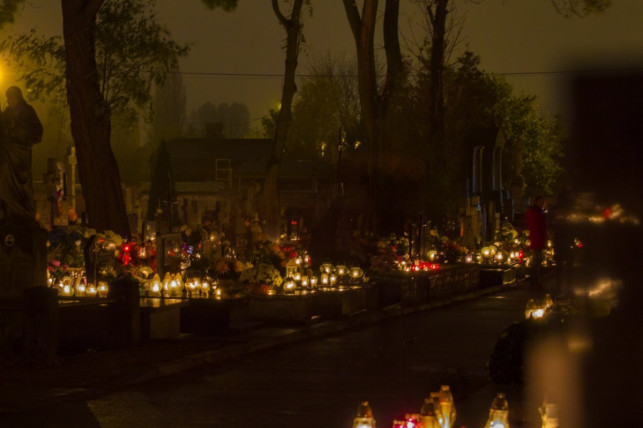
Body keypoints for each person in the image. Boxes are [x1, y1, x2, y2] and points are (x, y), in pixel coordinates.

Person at [0, 86, 43, 221]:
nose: (9, 100)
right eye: (8, 98)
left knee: (24, 186)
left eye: (12, 97)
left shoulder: (27, 111)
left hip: (21, 155)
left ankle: (25, 212)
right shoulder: (7, 113)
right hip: (8, 156)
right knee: (5, 184)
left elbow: (37, 131)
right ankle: (9, 212)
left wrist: (21, 130)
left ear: (18, 97)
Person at [525, 195, 547, 291]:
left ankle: (535, 281)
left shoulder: (536, 213)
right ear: (536, 203)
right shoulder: (536, 214)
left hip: (538, 239)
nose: (542, 204)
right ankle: (534, 282)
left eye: (543, 202)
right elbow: (539, 227)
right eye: (540, 202)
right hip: (537, 238)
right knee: (536, 261)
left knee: (537, 261)